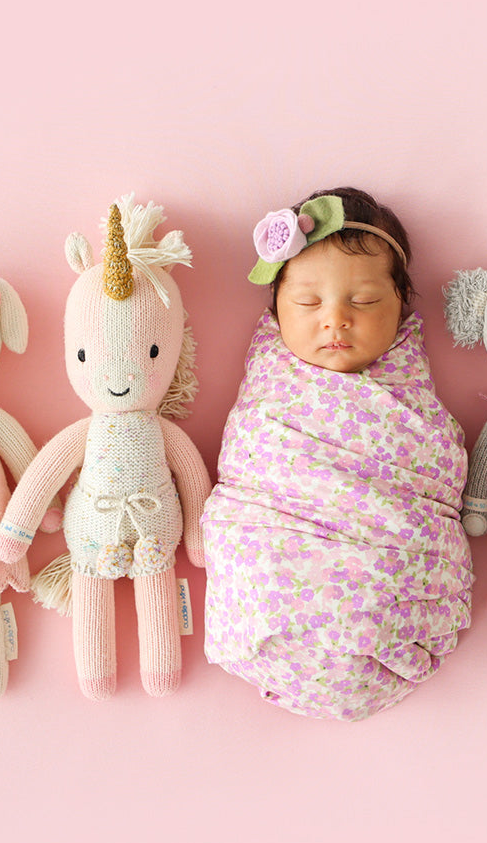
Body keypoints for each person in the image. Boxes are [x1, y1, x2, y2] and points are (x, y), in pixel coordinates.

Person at [201, 186, 472, 720]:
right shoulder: (271, 392)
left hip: (393, 588)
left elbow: (436, 470)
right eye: (308, 302)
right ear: (276, 307)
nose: (335, 319)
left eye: (364, 301)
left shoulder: (411, 398)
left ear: (401, 304)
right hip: (267, 584)